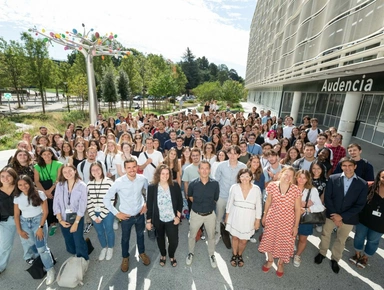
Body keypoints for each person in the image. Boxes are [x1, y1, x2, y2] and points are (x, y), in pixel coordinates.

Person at [314, 157, 368, 274]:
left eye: (350, 165)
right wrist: (335, 215)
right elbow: (328, 197)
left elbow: (360, 205)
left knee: (341, 239)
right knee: (325, 234)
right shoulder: (333, 178)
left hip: (349, 218)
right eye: (344, 165)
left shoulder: (362, 184)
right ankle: (322, 253)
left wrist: (341, 217)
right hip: (331, 215)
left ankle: (335, 259)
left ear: (355, 166)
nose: (347, 168)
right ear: (341, 166)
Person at [103, 158, 150, 272]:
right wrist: (117, 213)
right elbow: (106, 199)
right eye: (128, 167)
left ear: (137, 167)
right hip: (126, 217)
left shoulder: (142, 179)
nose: (131, 169)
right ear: (125, 169)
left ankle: (142, 253)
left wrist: (146, 204)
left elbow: (149, 191)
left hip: (139, 214)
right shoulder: (119, 182)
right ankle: (125, 257)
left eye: (134, 167)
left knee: (140, 235)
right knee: (125, 238)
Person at [259, 166, 301, 278]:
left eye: (291, 176)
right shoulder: (272, 185)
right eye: (286, 174)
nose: (288, 177)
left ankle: (281, 263)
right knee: (270, 238)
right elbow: (268, 202)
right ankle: (270, 260)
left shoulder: (296, 189)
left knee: (285, 242)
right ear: (281, 173)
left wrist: (296, 226)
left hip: (288, 220)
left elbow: (297, 209)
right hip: (272, 216)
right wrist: (264, 215)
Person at [14, 175, 55, 285]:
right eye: (20, 185)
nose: (23, 186)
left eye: (25, 184)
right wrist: (19, 230)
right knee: (33, 245)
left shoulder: (40, 194)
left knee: (41, 248)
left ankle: (50, 269)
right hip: (25, 223)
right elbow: (17, 214)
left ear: (30, 183)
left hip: (38, 221)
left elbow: (45, 212)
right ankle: (45, 259)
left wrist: (40, 228)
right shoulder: (17, 197)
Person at [146, 165, 183, 267]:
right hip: (158, 219)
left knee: (174, 241)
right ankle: (163, 254)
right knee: (160, 239)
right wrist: (148, 221)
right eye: (163, 173)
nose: (165, 176)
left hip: (172, 219)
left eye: (167, 174)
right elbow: (149, 205)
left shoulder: (174, 185)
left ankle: (171, 255)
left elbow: (180, 202)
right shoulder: (152, 187)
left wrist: (178, 217)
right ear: (158, 174)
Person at [185, 160, 220, 268]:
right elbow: (190, 197)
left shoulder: (215, 184)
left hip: (210, 215)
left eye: (207, 168)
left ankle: (211, 255)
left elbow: (215, 198)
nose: (204, 171)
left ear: (209, 170)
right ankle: (190, 253)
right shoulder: (193, 184)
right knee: (192, 235)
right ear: (198, 170)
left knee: (211, 236)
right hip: (196, 214)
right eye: (202, 168)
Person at [225, 169, 262, 267]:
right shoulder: (234, 187)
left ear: (251, 177)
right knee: (235, 237)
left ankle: (240, 255)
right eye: (242, 176)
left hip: (249, 217)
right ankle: (234, 254)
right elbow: (229, 203)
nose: (244, 178)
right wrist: (227, 216)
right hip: (236, 215)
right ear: (239, 177)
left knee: (244, 240)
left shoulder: (256, 189)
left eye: (247, 176)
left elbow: (259, 206)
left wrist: (258, 220)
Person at [349, 169, 384, 268]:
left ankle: (365, 257)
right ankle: (357, 254)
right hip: (364, 219)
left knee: (373, 241)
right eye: (383, 177)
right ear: (379, 177)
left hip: (380, 225)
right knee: (359, 236)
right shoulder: (370, 186)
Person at [53, 164, 89, 260]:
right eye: (65, 172)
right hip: (63, 218)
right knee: (68, 239)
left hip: (77, 218)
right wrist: (60, 220)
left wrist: (76, 223)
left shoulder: (82, 186)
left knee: (78, 239)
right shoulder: (60, 185)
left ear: (75, 171)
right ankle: (74, 253)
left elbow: (82, 206)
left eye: (70, 171)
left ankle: (83, 259)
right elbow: (56, 203)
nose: (67, 174)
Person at [214, 145, 247, 244]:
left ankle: (231, 234)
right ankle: (218, 234)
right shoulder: (221, 166)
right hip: (222, 196)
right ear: (227, 154)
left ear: (239, 155)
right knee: (218, 217)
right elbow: (216, 181)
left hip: (235, 198)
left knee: (233, 217)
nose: (232, 156)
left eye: (235, 153)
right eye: (230, 153)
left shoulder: (243, 167)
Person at [293, 170, 325, 268]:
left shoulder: (312, 190)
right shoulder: (291, 188)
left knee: (303, 238)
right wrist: (300, 204)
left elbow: (321, 207)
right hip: (291, 217)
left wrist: (307, 209)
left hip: (305, 219)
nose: (301, 180)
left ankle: (297, 255)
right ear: (296, 177)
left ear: (307, 179)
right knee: (291, 236)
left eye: (304, 178)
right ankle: (289, 248)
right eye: (299, 177)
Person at [87, 162, 115, 261]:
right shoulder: (89, 184)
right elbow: (89, 201)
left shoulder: (109, 182)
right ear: (90, 172)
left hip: (107, 212)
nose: (96, 172)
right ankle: (104, 247)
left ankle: (110, 247)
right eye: (93, 170)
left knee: (109, 230)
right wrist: (94, 216)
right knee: (99, 232)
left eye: (98, 169)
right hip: (95, 212)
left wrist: (101, 216)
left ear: (102, 170)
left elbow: (111, 200)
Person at [34, 147, 63, 236]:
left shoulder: (58, 164)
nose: (47, 156)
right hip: (43, 188)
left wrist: (50, 190)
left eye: (48, 154)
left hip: (56, 187)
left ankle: (60, 220)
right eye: (44, 154)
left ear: (52, 154)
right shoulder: (37, 166)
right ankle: (52, 223)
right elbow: (36, 181)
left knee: (57, 204)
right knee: (47, 206)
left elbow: (58, 179)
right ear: (41, 156)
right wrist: (45, 192)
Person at [0, 168, 18, 274]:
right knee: (5, 245)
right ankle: (1, 266)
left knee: (29, 242)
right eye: (2, 176)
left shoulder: (20, 187)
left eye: (8, 176)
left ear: (13, 177)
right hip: (5, 221)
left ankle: (30, 258)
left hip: (23, 219)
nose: (5, 179)